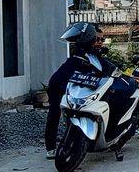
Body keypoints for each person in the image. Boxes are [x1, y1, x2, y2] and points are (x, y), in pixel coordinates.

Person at [44, 22, 105, 159]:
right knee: (55, 113)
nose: (99, 42)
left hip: (69, 86)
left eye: (102, 40)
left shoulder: (93, 55)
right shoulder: (83, 53)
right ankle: (51, 148)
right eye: (97, 39)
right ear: (90, 39)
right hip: (59, 85)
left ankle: (71, 143)